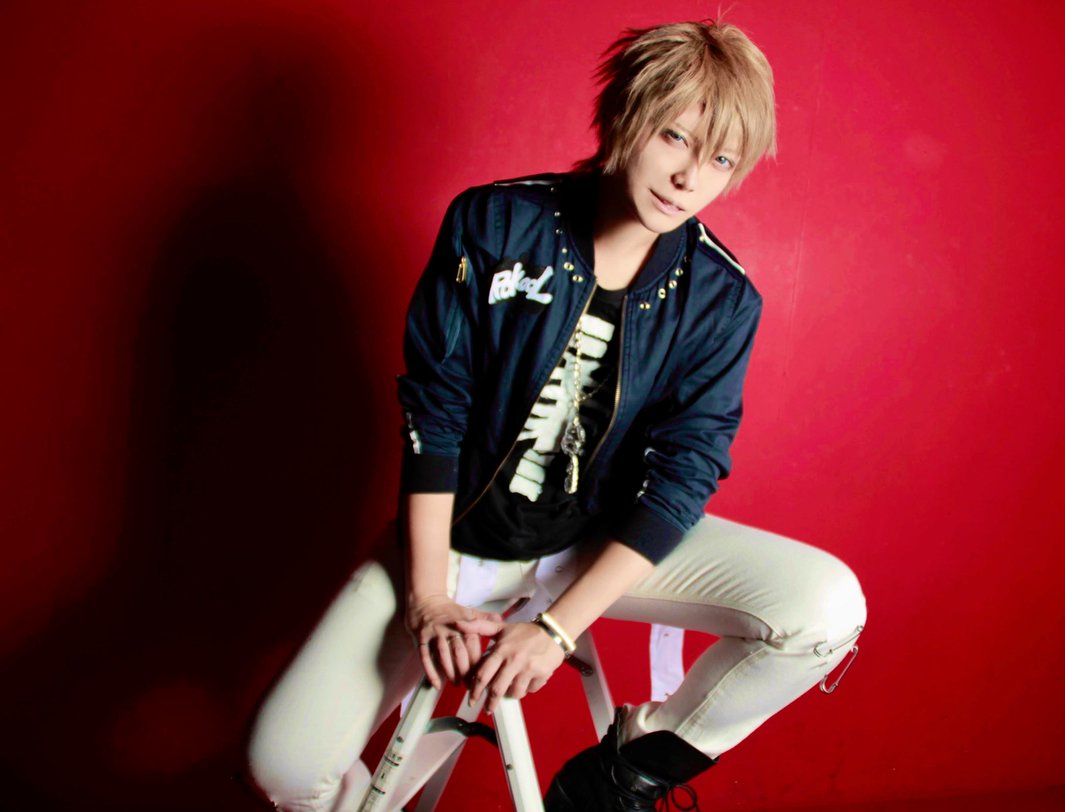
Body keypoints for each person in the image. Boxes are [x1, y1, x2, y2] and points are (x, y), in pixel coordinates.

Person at [246, 19, 866, 812]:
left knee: (825, 605)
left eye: (719, 159)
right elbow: (436, 410)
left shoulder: (721, 296)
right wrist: (428, 595)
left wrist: (559, 628)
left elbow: (685, 472)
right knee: (284, 765)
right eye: (674, 137)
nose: (688, 179)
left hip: (595, 547)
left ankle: (626, 772)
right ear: (625, 117)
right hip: (459, 541)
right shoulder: (493, 225)